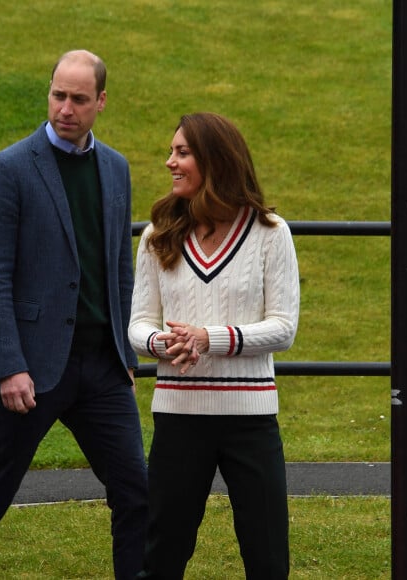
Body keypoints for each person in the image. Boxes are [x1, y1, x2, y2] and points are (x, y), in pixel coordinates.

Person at [0, 50, 148, 580]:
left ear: (101, 102)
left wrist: (126, 352)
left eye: (79, 99)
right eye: (57, 95)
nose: (65, 108)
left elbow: (119, 267)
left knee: (137, 490)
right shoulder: (9, 169)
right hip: (32, 369)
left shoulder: (115, 168)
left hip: (103, 368)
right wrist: (9, 365)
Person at [128, 112, 300, 579]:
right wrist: (167, 343)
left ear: (215, 160)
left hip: (251, 420)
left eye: (182, 153)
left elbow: (284, 328)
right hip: (179, 417)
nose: (170, 162)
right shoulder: (157, 234)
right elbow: (138, 326)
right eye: (172, 151)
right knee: (163, 553)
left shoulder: (271, 233)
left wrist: (208, 339)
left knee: (267, 557)